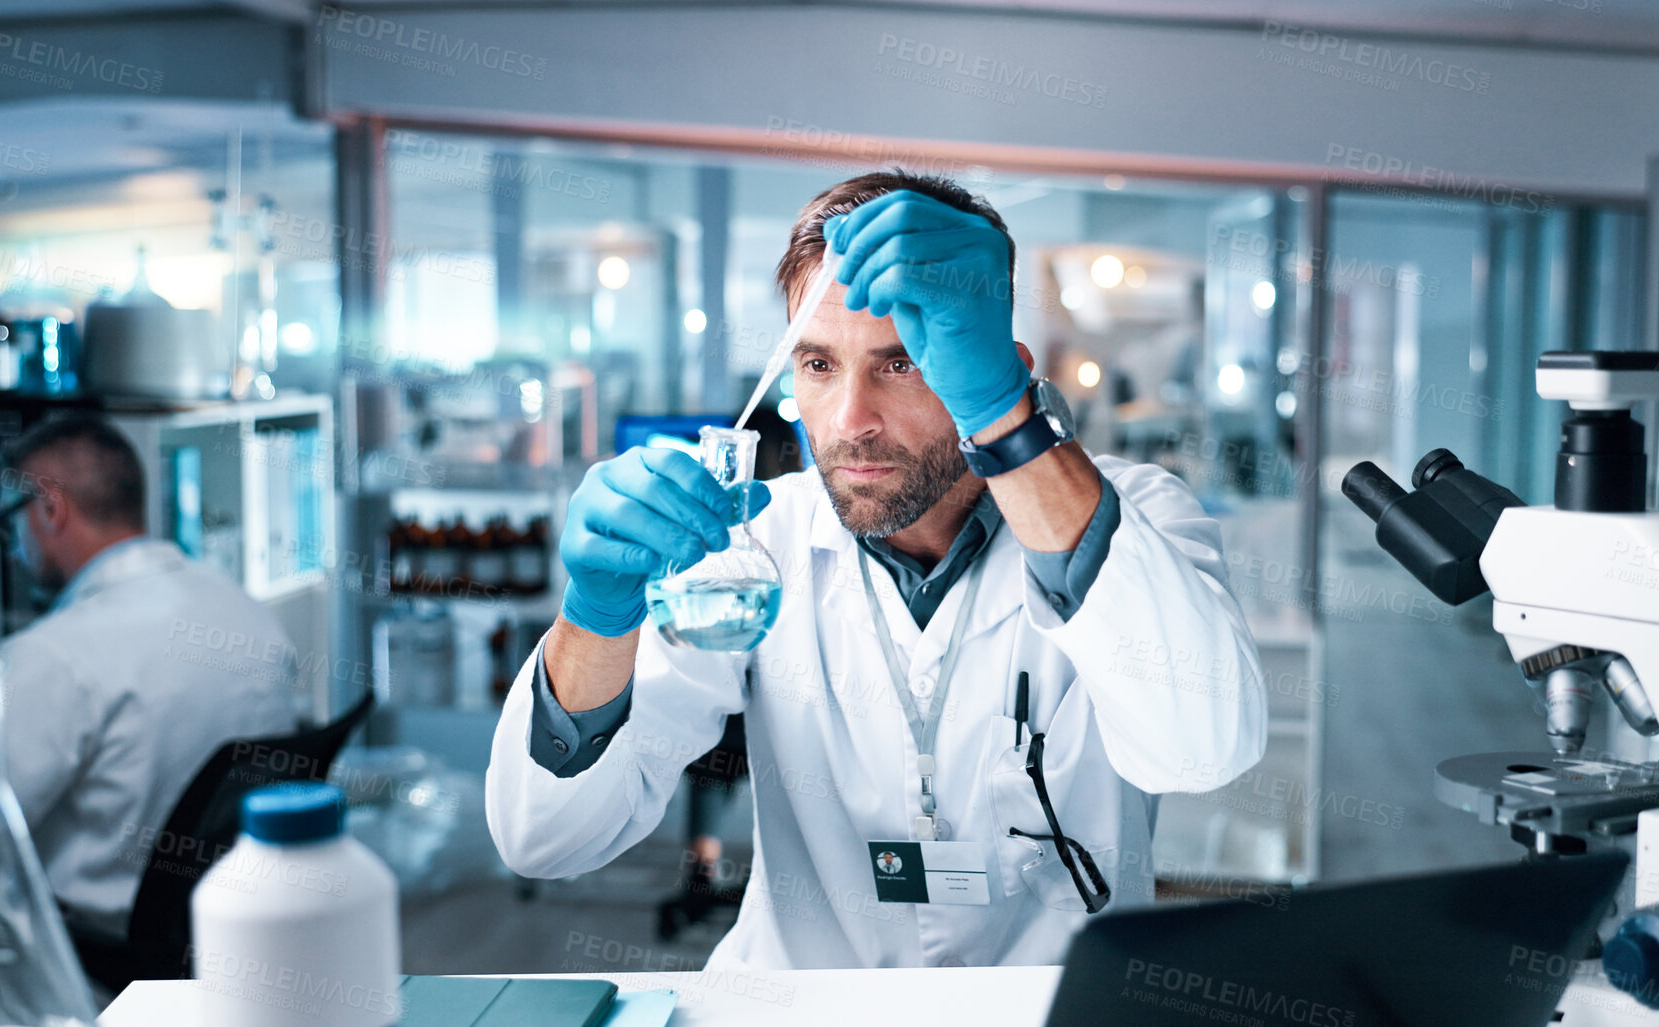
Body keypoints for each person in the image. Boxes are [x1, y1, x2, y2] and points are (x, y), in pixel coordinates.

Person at [487, 171, 1266, 969]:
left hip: (1047, 1007)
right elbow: (547, 838)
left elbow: (1201, 750)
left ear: (1001, 364)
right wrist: (594, 614)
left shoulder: (1137, 515)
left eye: (899, 364)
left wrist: (1007, 418)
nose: (851, 421)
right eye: (818, 365)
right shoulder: (753, 541)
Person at [0, 416, 300, 936]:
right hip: (232, 936)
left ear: (49, 509)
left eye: (10, 522)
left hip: (95, 962)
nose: (12, 547)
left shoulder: (50, 655)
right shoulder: (248, 615)